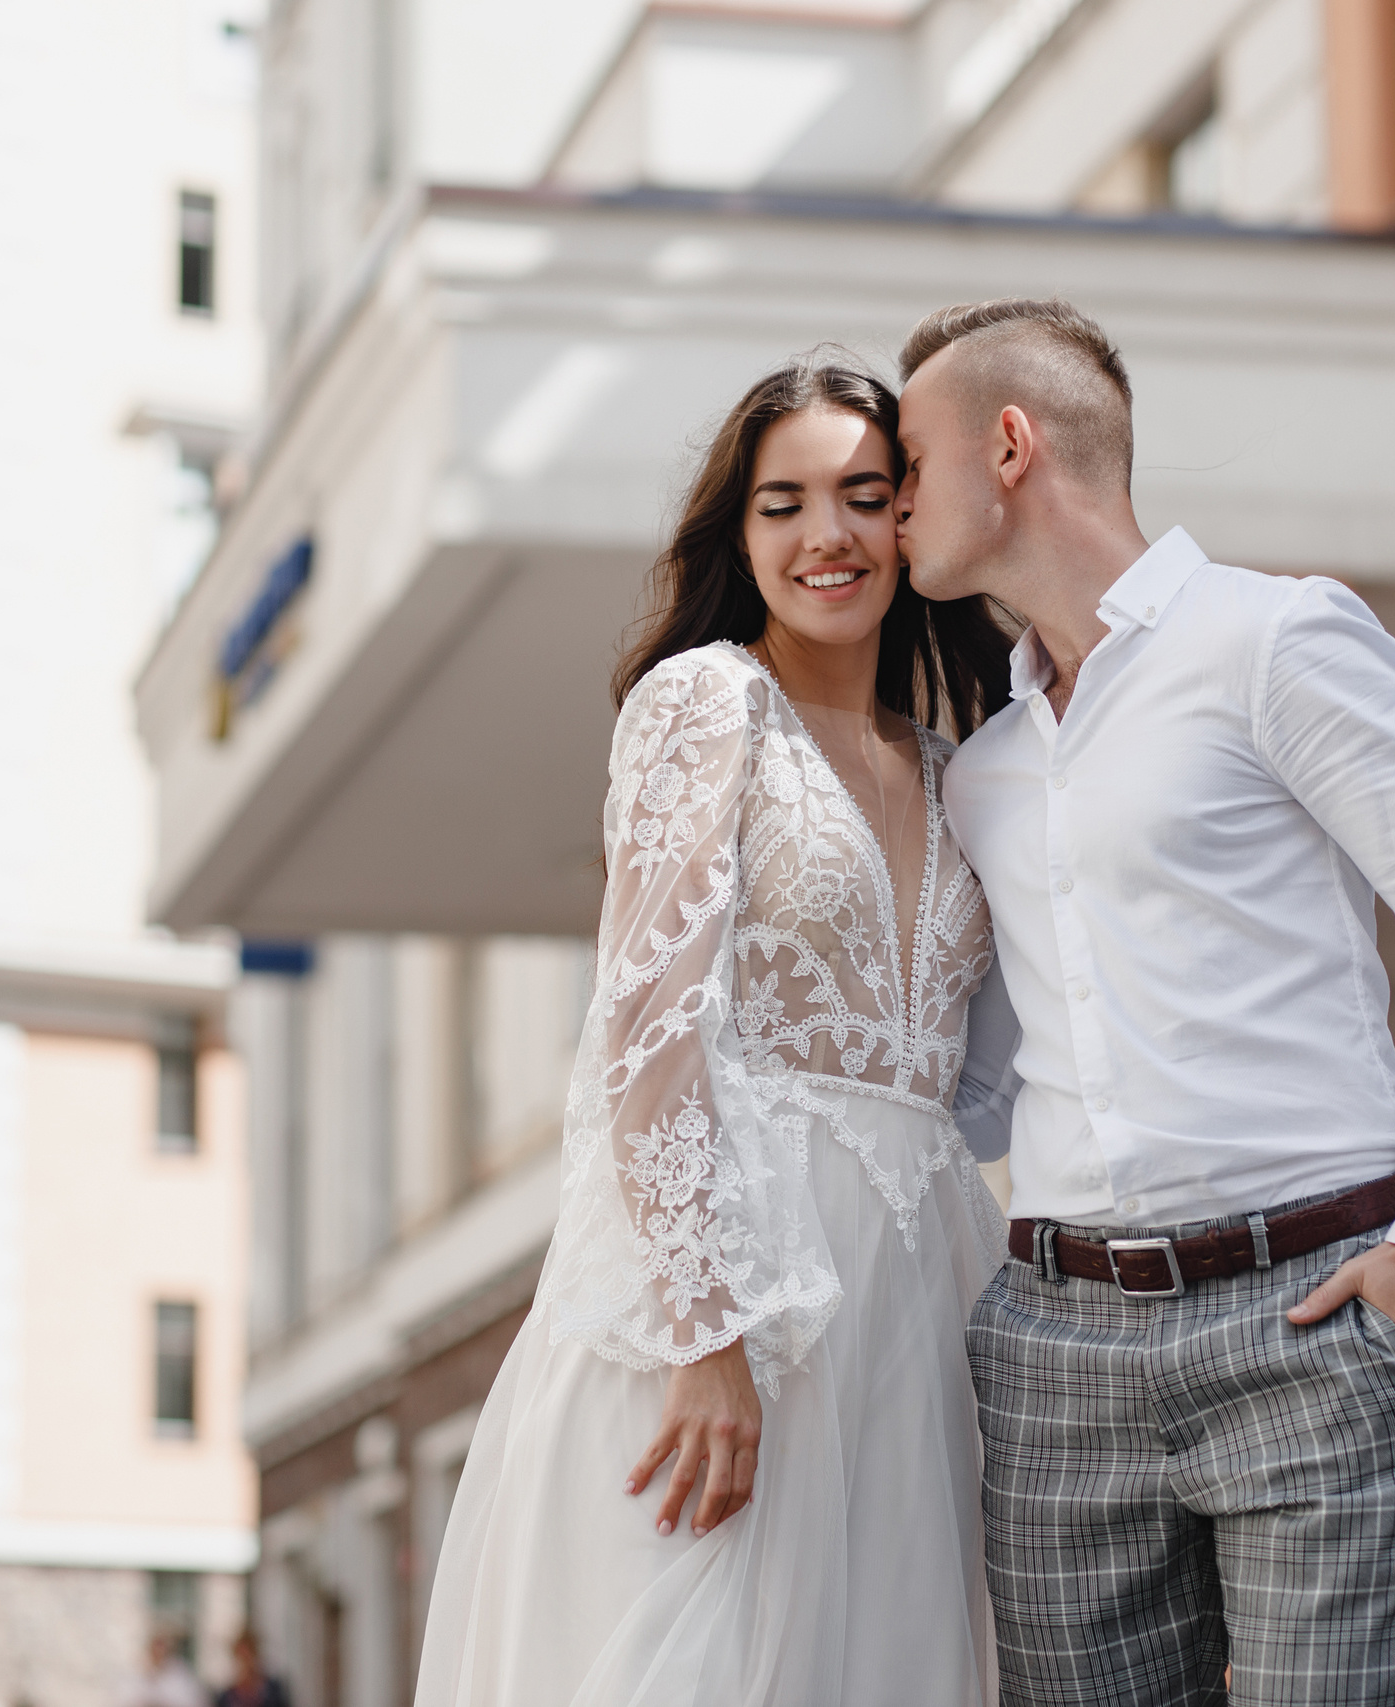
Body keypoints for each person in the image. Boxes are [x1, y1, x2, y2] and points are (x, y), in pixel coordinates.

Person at [903, 298, 1395, 1706]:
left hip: (1313, 1319)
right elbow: (976, 1086)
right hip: (1057, 1350)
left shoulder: (1276, 639)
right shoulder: (983, 772)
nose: (890, 504)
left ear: (1009, 444)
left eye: (909, 461)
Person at [413, 356, 1018, 1706]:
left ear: (910, 518)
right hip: (752, 1291)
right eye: (783, 503)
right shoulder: (705, 702)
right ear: (737, 538)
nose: (827, 536)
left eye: (864, 496)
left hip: (928, 1301)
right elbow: (647, 1022)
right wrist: (704, 1337)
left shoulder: (951, 760)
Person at [121, 1634, 209, 1707]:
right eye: (155, 1652)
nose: (159, 1655)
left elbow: (191, 1700)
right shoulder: (139, 1673)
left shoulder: (179, 1675)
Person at [213, 1631, 290, 1707]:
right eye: (242, 1657)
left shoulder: (273, 1691)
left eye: (248, 1656)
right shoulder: (227, 1698)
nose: (246, 1662)